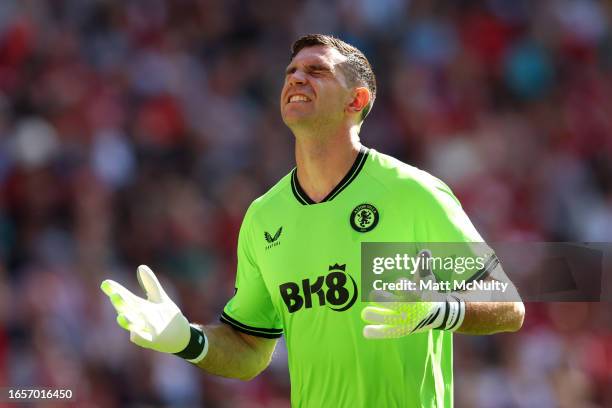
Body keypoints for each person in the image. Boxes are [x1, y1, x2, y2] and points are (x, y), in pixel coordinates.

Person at [101, 34, 525, 407]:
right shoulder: (264, 216)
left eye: (317, 71)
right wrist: (187, 340)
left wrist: (438, 310)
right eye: (291, 71)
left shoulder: (412, 194)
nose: (296, 78)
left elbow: (508, 306)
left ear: (356, 100)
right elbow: (249, 348)